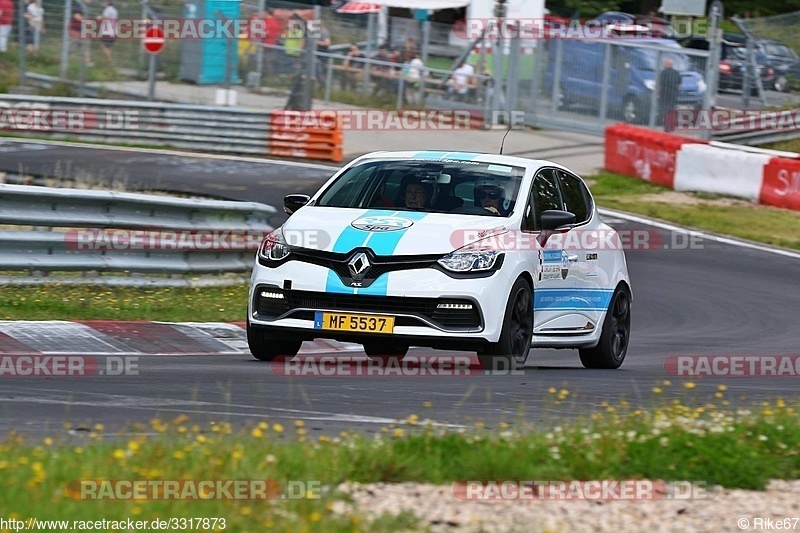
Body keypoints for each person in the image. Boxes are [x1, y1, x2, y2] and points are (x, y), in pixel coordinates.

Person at [658, 57, 681, 132]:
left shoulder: (663, 73)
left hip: (664, 95)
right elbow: (679, 86)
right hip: (673, 95)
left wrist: (658, 94)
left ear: (667, 65)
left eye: (664, 64)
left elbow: (660, 86)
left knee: (664, 111)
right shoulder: (677, 73)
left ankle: (666, 126)